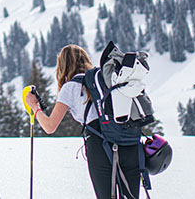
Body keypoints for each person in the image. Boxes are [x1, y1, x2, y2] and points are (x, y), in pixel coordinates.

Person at [24, 44, 141, 199]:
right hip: (128, 140)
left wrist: (35, 107)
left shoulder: (71, 87)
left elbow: (50, 126)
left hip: (99, 145)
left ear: (63, 66)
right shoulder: (106, 81)